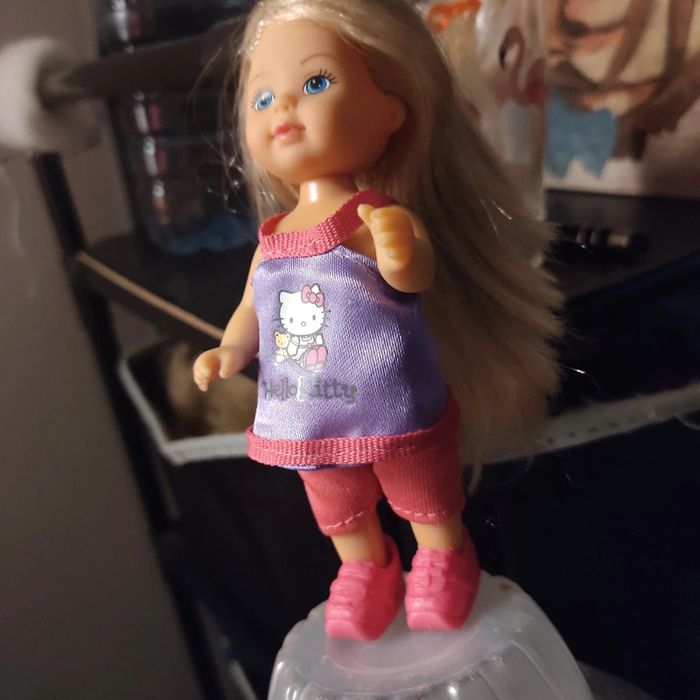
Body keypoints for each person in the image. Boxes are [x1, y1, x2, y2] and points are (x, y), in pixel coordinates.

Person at [193, 0, 561, 641]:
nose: (283, 108)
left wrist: (399, 253)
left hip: (389, 400)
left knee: (419, 486)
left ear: (394, 108)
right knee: (336, 500)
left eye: (316, 82)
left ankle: (444, 556)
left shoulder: (372, 216)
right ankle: (365, 568)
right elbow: (253, 307)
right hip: (307, 407)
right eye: (262, 98)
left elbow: (414, 277)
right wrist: (228, 351)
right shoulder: (273, 237)